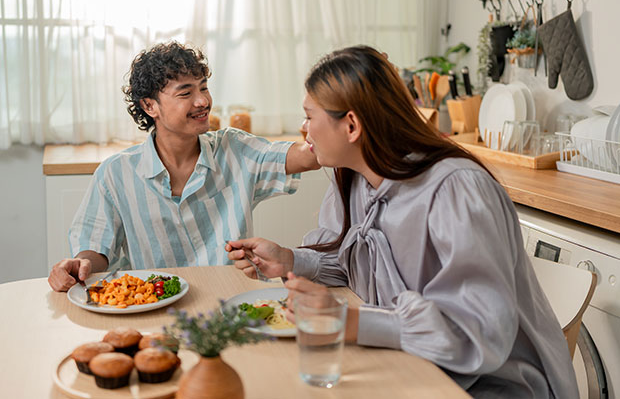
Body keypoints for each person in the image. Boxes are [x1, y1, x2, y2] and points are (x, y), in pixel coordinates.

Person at [226, 45, 577, 397]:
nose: (304, 130)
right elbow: (355, 265)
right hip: (411, 364)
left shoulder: (456, 189)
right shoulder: (352, 178)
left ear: (351, 125)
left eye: (308, 116)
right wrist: (291, 260)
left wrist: (354, 322)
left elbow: (480, 334)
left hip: (488, 385)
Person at [48, 41, 319, 292]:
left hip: (231, 300)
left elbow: (306, 157)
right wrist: (79, 266)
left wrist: (326, 119)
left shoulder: (235, 149)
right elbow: (94, 249)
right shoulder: (115, 174)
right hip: (151, 305)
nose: (202, 101)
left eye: (203, 87)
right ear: (149, 105)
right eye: (186, 92)